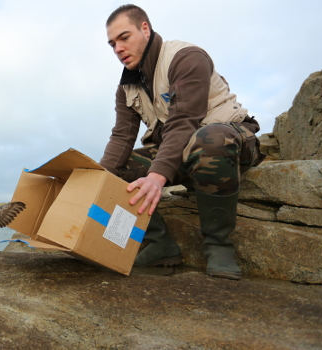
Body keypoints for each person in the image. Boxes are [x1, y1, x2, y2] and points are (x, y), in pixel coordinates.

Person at [100, 4, 264, 280]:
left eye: (124, 37)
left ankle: (218, 246)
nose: (118, 48)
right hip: (178, 153)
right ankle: (159, 243)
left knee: (209, 139)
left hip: (226, 142)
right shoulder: (126, 87)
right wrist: (96, 180)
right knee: (114, 170)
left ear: (145, 28)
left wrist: (156, 176)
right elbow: (121, 137)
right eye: (112, 43)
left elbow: (184, 120)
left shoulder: (186, 57)